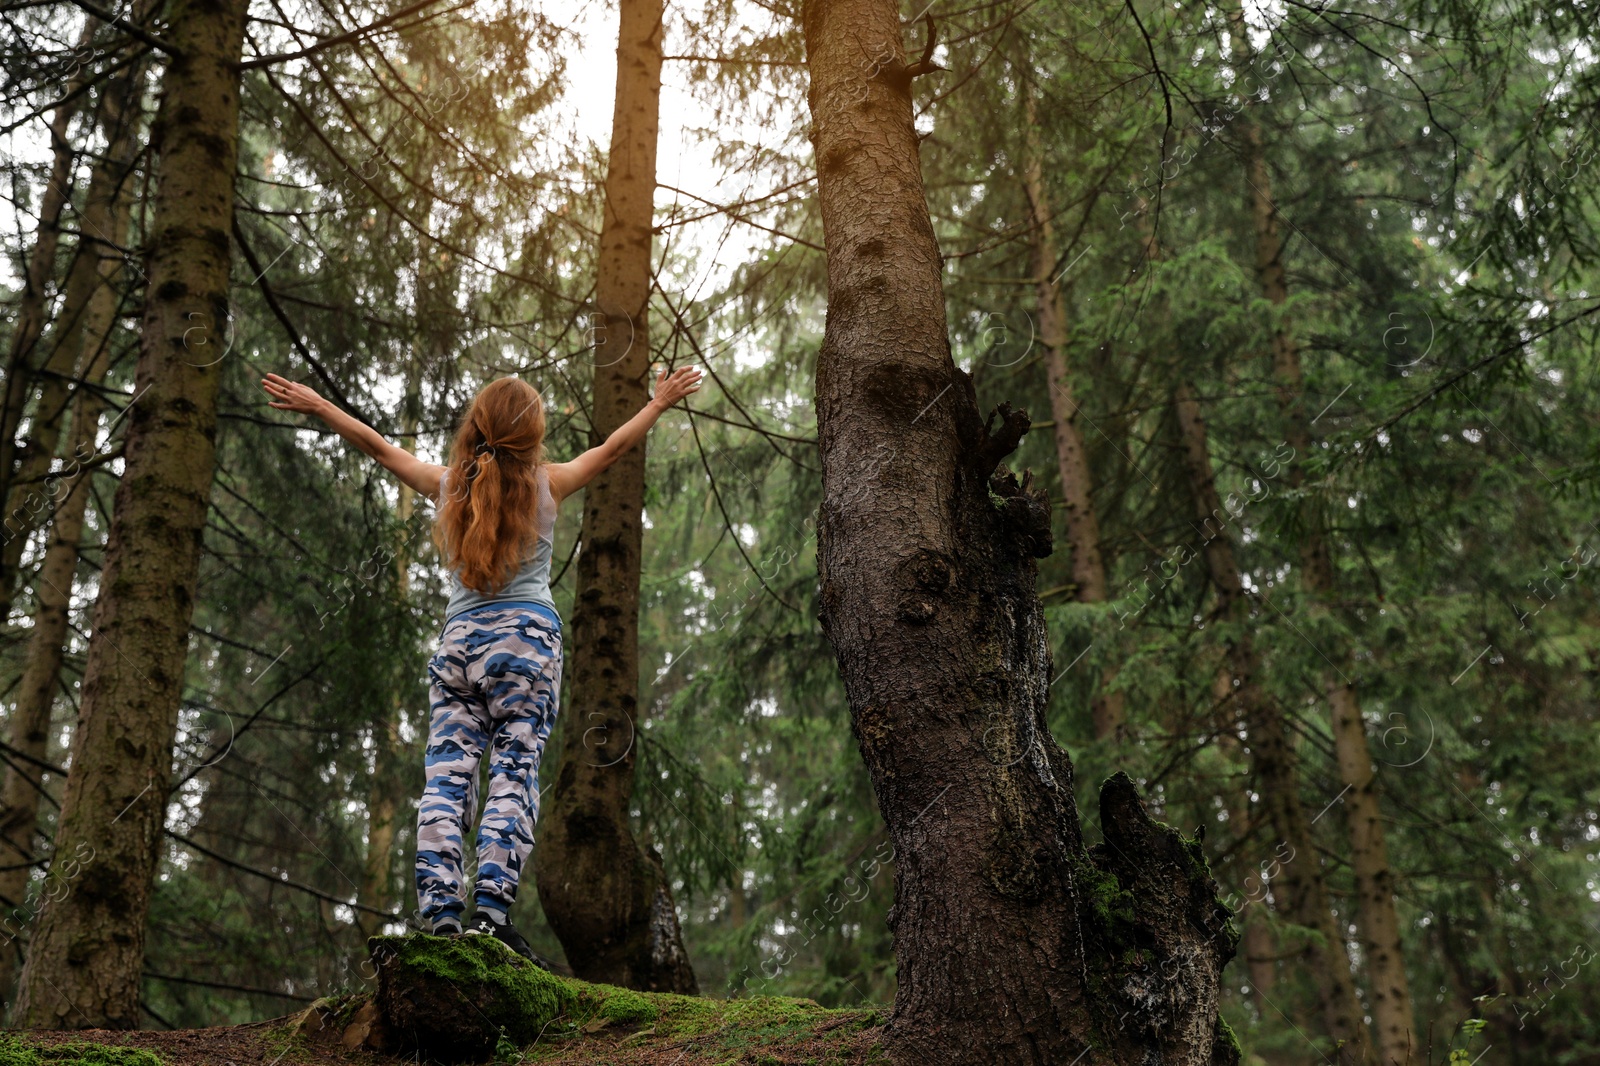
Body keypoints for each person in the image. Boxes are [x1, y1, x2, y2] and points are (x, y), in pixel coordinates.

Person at [261, 365, 704, 960]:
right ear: (533, 433)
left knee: (447, 777)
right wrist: (659, 403)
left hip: (458, 645)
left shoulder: (450, 487)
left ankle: (440, 913)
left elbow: (379, 448)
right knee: (513, 773)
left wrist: (320, 405)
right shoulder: (551, 484)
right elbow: (615, 446)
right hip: (525, 644)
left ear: (477, 427)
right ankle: (491, 917)